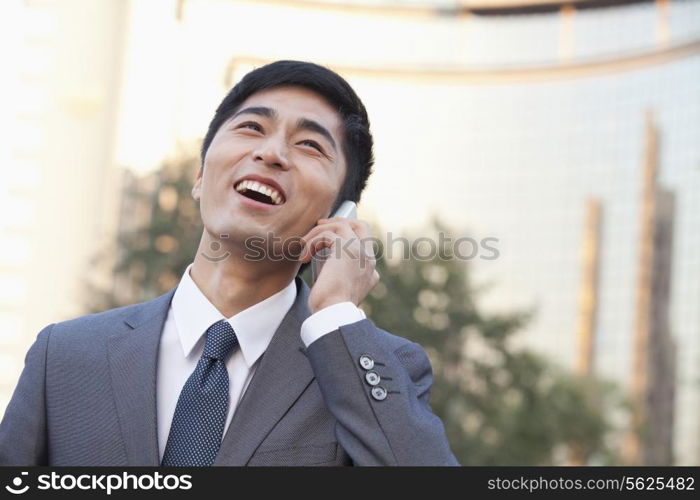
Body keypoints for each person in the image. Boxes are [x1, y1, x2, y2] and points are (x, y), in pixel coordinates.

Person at [0, 60, 458, 466]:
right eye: (252, 128)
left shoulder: (375, 365)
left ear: (340, 216)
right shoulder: (64, 355)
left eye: (310, 146)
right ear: (200, 175)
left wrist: (337, 311)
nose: (271, 153)